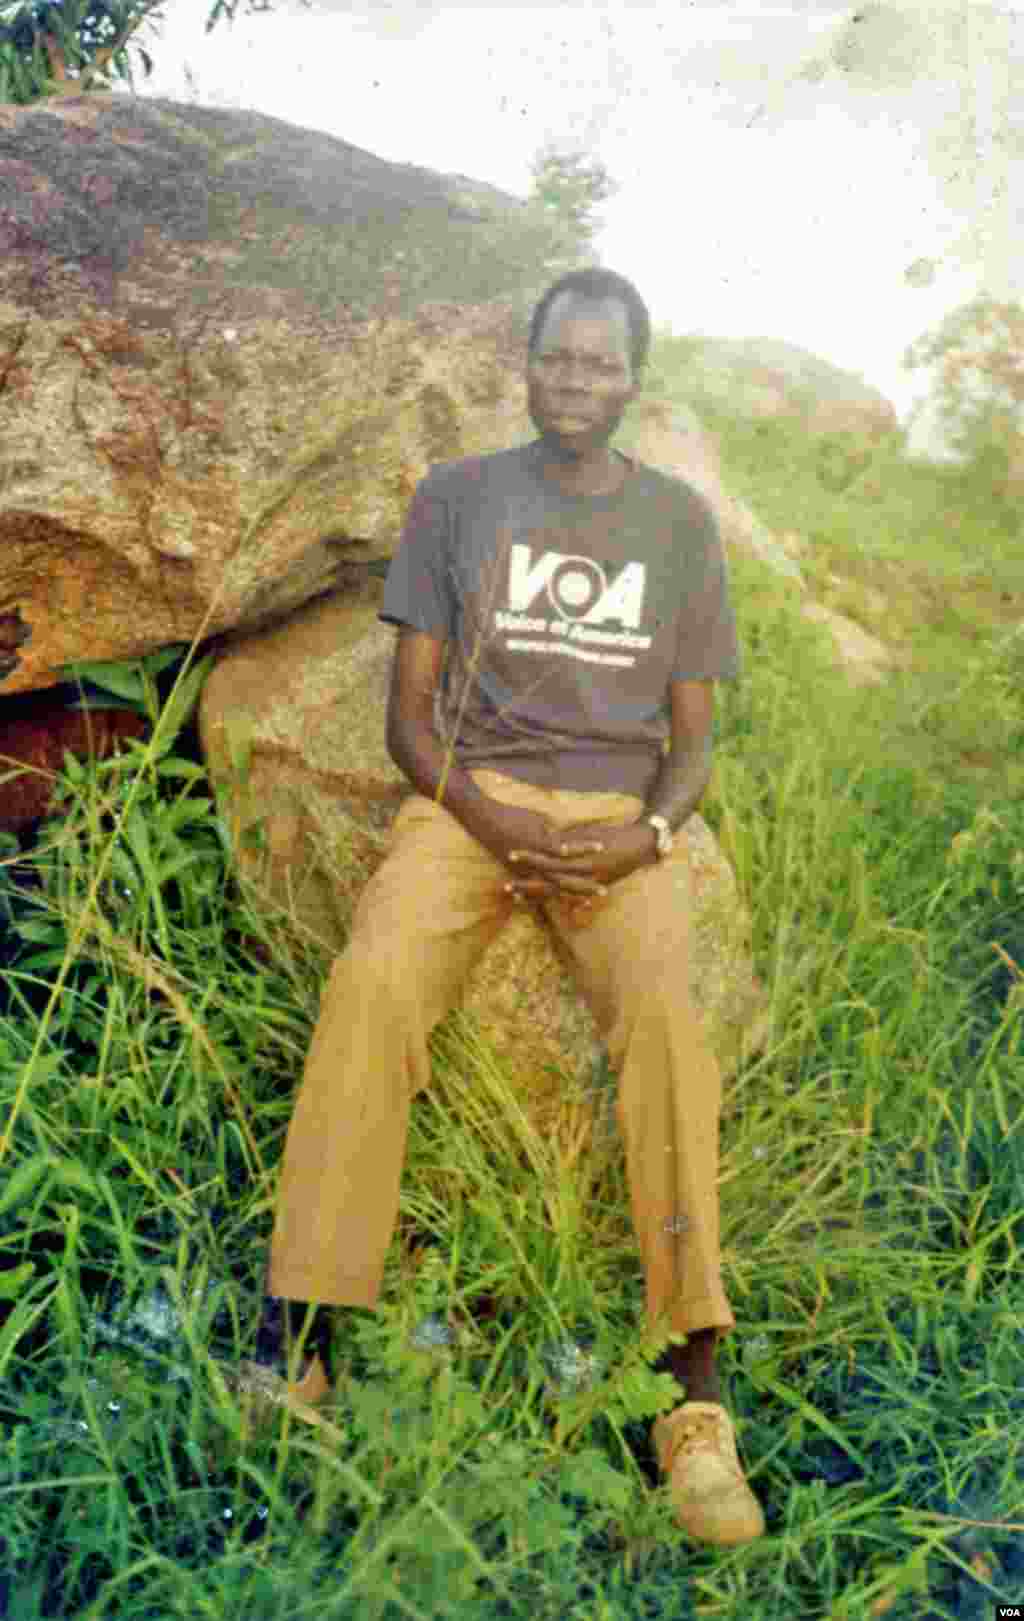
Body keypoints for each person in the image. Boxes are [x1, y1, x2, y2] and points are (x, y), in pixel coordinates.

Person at [234, 267, 765, 1548]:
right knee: (370, 991)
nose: (575, 383)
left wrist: (646, 836)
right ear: (525, 365)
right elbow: (407, 722)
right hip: (470, 806)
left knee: (665, 1036)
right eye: (556, 360)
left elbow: (694, 743)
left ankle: (691, 1396)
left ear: (635, 380)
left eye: (601, 364)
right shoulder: (461, 500)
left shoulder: (678, 526)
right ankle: (300, 1342)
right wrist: (494, 819)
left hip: (616, 831)